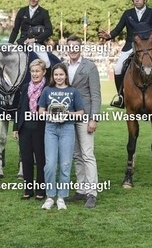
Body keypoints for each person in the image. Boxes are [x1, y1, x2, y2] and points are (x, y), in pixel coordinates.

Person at [39, 63, 84, 211]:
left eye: (61, 74)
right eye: (56, 74)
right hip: (51, 129)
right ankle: (50, 196)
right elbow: (40, 111)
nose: (58, 77)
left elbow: (81, 112)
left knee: (65, 164)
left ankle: (61, 197)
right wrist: (53, 113)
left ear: (66, 76)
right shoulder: (47, 90)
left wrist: (67, 114)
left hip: (67, 128)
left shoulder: (73, 91)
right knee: (50, 164)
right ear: (53, 76)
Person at [64, 35, 101, 208]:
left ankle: (92, 193)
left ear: (80, 48)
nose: (73, 50)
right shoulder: (63, 66)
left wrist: (94, 118)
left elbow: (95, 94)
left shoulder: (90, 66)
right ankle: (81, 190)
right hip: (68, 117)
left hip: (85, 117)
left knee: (87, 154)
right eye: (70, 47)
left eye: (76, 47)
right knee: (77, 155)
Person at [12, 59, 47, 201]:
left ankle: (41, 190)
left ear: (43, 72)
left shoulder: (48, 88)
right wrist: (15, 127)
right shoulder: (25, 86)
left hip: (41, 128)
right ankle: (28, 190)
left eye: (37, 71)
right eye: (32, 71)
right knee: (26, 159)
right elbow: (19, 107)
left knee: (41, 160)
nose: (34, 74)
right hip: (25, 128)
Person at [9, 0, 53, 68]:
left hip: (37, 44)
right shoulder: (22, 11)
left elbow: (49, 30)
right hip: (22, 43)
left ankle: (48, 76)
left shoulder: (44, 12)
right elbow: (15, 30)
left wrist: (35, 39)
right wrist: (10, 44)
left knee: (46, 62)